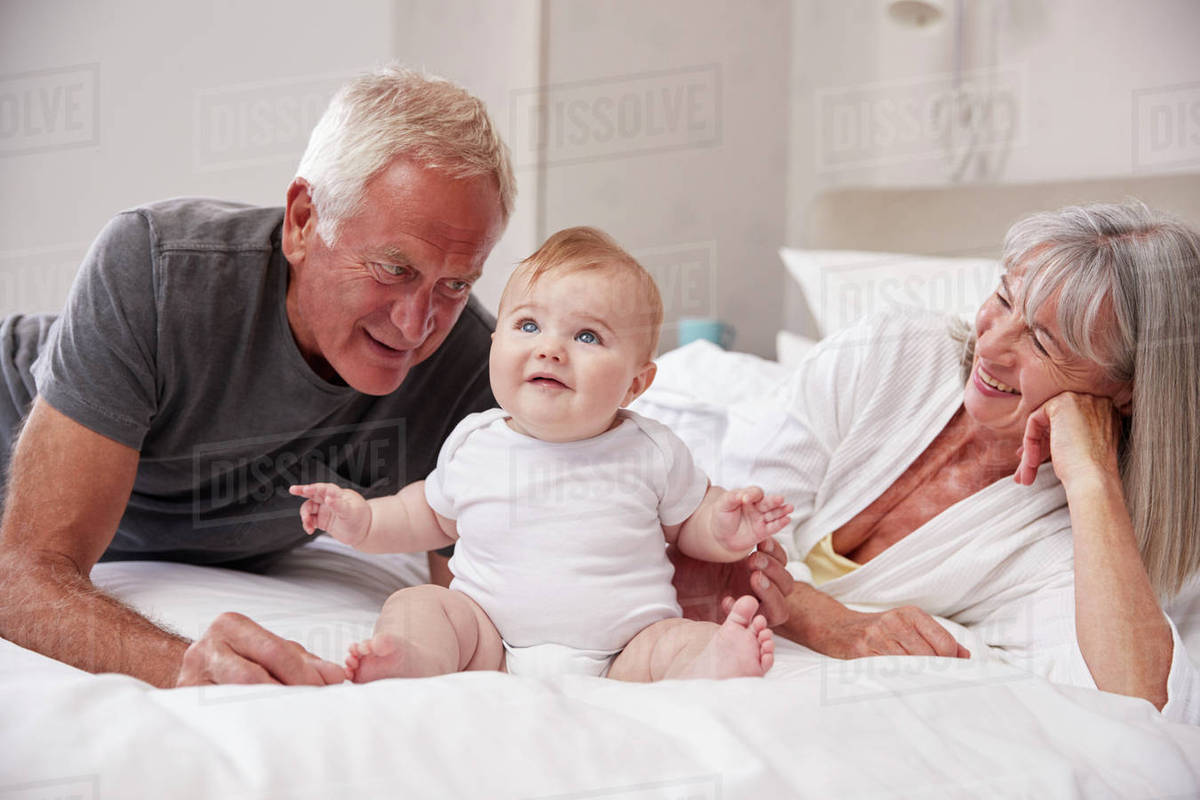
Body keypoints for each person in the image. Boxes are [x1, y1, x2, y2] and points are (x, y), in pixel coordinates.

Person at [0, 65, 791, 689]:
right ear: (305, 220)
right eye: (393, 269)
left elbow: (495, 588)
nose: (418, 327)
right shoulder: (157, 268)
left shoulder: (477, 373)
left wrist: (831, 624)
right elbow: (25, 571)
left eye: (455, 285)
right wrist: (179, 667)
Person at [717, 201, 1200, 723]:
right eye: (1002, 298)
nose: (989, 343)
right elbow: (725, 521)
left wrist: (1092, 479)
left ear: (1127, 390)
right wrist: (830, 624)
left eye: (1041, 341)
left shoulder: (1061, 536)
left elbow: (1140, 706)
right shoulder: (895, 348)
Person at [291, 227, 790, 682]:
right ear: (494, 345)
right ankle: (408, 655)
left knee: (678, 641)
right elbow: (421, 512)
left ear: (636, 383)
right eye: (529, 326)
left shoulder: (652, 450)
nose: (550, 349)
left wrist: (725, 530)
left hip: (626, 647)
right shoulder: (474, 441)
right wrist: (362, 522)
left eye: (587, 336)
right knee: (419, 604)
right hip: (489, 638)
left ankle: (714, 662)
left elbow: (691, 524)